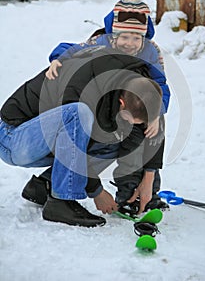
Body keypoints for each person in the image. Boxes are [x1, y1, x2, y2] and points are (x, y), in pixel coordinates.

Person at [22, 0, 170, 215]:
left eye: (136, 37)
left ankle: (144, 192)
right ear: (114, 34)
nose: (130, 43)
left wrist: (156, 112)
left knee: (147, 128)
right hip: (103, 107)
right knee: (107, 141)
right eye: (124, 36)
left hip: (133, 102)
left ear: (145, 36)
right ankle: (50, 183)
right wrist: (57, 58)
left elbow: (161, 85)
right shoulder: (100, 44)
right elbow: (72, 49)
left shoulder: (151, 52)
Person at [0, 45, 163, 227]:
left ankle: (45, 185)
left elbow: (152, 124)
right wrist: (97, 191)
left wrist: (148, 177)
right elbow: (74, 142)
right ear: (121, 102)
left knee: (115, 138)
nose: (133, 125)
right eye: (131, 119)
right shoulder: (87, 86)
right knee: (78, 114)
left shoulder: (139, 82)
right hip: (13, 137)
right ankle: (62, 201)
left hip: (50, 139)